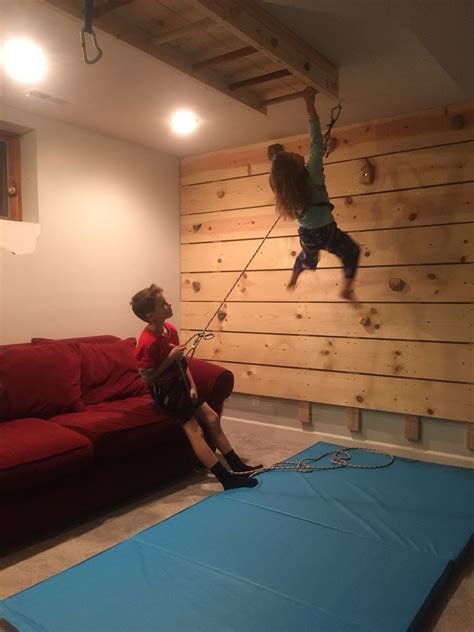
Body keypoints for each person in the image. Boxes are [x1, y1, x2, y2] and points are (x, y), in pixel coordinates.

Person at [130, 284, 262, 490]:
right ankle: (226, 479)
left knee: (212, 418)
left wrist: (192, 385)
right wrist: (168, 359)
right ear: (150, 315)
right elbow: (147, 380)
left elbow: (181, 362)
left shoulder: (170, 329)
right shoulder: (147, 343)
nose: (169, 304)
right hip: (166, 392)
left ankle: (238, 466)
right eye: (162, 303)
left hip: (182, 385)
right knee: (195, 430)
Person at [269, 87, 360, 299]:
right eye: (294, 155)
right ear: (296, 167)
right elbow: (315, 142)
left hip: (308, 236)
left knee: (308, 257)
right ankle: (346, 288)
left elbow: (276, 180)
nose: (298, 153)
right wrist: (309, 102)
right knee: (351, 252)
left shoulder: (285, 193)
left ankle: (294, 276)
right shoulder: (313, 173)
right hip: (327, 231)